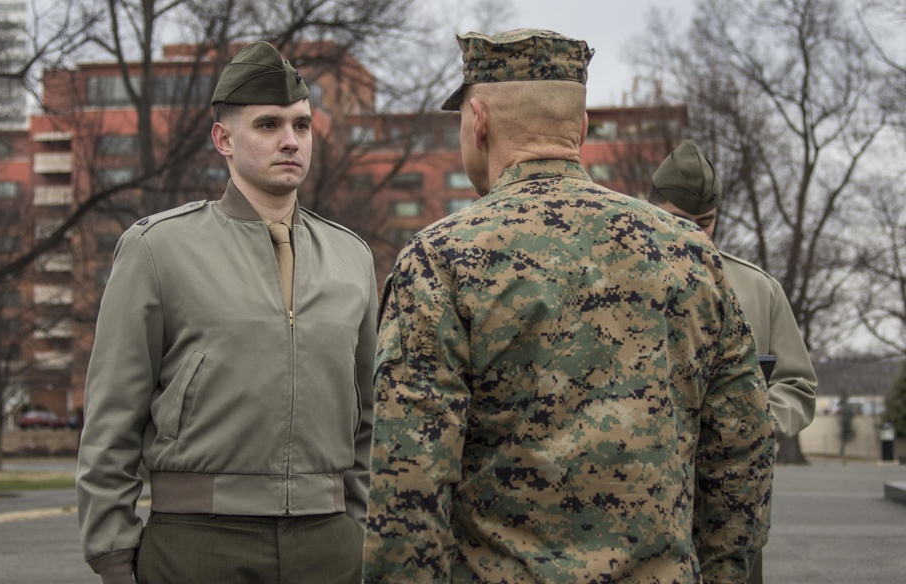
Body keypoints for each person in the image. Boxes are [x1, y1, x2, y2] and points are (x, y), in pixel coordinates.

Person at [363, 29, 776, 583]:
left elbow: (408, 487)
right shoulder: (690, 255)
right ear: (580, 130)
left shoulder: (440, 261)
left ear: (478, 121)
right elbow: (742, 453)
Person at [76, 41, 378, 584]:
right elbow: (112, 415)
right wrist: (113, 553)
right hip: (197, 541)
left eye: (302, 126)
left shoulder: (351, 257)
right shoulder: (158, 248)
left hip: (328, 543)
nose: (290, 141)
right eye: (268, 125)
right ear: (224, 139)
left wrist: (356, 526)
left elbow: (369, 415)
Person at [650, 139, 818, 584]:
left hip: (732, 502)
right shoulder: (619, 283)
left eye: (706, 224)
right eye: (681, 223)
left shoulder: (759, 290)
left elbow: (797, 385)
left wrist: (756, 421)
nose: (696, 236)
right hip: (645, 500)